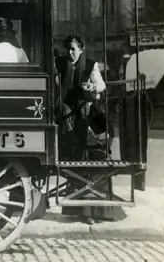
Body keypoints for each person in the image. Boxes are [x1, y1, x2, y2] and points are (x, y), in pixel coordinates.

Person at [54, 33, 125, 223]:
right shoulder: (60, 65)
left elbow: (101, 86)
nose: (70, 53)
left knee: (95, 158)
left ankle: (99, 210)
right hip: (69, 117)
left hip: (89, 114)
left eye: (73, 49)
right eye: (67, 49)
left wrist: (92, 88)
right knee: (77, 160)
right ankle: (82, 211)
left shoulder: (90, 65)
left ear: (81, 49)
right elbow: (56, 89)